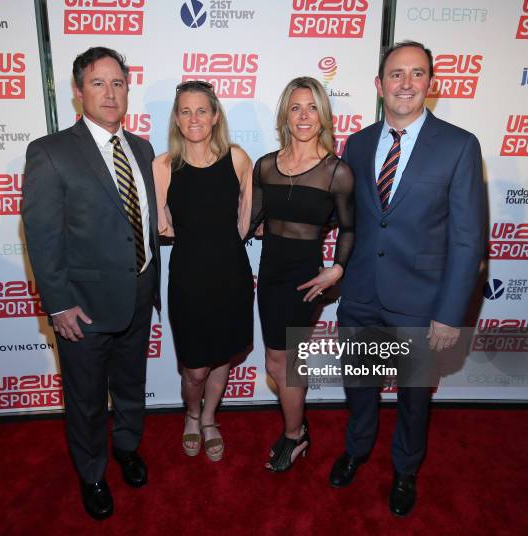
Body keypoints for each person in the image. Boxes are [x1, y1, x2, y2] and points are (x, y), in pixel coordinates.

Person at [328, 41, 485, 516]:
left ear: (431, 84)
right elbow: (352, 221)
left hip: (422, 301)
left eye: (417, 74)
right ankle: (357, 449)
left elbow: (467, 240)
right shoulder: (356, 143)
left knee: (414, 398)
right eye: (396, 74)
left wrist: (448, 315)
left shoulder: (459, 146)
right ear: (379, 85)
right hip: (359, 294)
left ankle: (406, 468)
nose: (406, 84)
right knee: (359, 384)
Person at [21, 47, 160, 520]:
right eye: (98, 83)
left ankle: (126, 448)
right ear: (79, 92)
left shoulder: (141, 148)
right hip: (82, 306)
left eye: (118, 83)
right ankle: (93, 473)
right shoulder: (51, 151)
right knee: (84, 398)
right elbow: (41, 236)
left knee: (131, 384)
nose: (110, 92)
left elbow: (136, 224)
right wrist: (58, 304)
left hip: (138, 293)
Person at [249, 77, 355, 472]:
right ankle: (298, 428)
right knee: (278, 361)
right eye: (296, 108)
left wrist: (337, 270)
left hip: (304, 279)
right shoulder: (265, 166)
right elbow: (251, 221)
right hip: (270, 273)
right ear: (285, 116)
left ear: (323, 115)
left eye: (312, 107)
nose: (304, 116)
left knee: (283, 362)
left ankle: (295, 436)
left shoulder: (336, 172)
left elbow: (350, 228)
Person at [153, 81, 253, 462]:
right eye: (185, 111)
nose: (194, 118)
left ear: (214, 117)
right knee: (195, 369)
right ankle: (192, 413)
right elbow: (162, 225)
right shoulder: (163, 166)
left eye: (201, 111)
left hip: (231, 275)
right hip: (189, 278)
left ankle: (209, 418)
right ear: (177, 120)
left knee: (222, 357)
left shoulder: (238, 158)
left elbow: (245, 221)